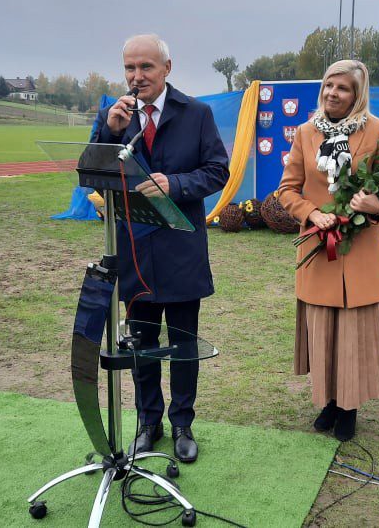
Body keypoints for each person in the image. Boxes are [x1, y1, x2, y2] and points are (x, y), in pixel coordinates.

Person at [91, 34, 229, 462]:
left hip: (182, 252)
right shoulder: (115, 116)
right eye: (130, 68)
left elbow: (217, 171)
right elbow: (93, 170)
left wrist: (178, 184)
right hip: (135, 252)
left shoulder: (198, 113)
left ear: (167, 68)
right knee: (141, 343)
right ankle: (148, 422)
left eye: (146, 67)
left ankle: (183, 423)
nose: (136, 77)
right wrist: (106, 130)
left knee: (184, 345)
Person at [277, 59, 379, 442]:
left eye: (342, 88)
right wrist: (311, 213)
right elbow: (287, 189)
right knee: (324, 327)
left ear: (358, 95)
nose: (332, 93)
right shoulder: (307, 133)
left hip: (358, 253)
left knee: (351, 329)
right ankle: (328, 400)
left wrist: (376, 208)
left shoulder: (377, 131)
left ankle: (349, 407)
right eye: (328, 85)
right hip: (319, 248)